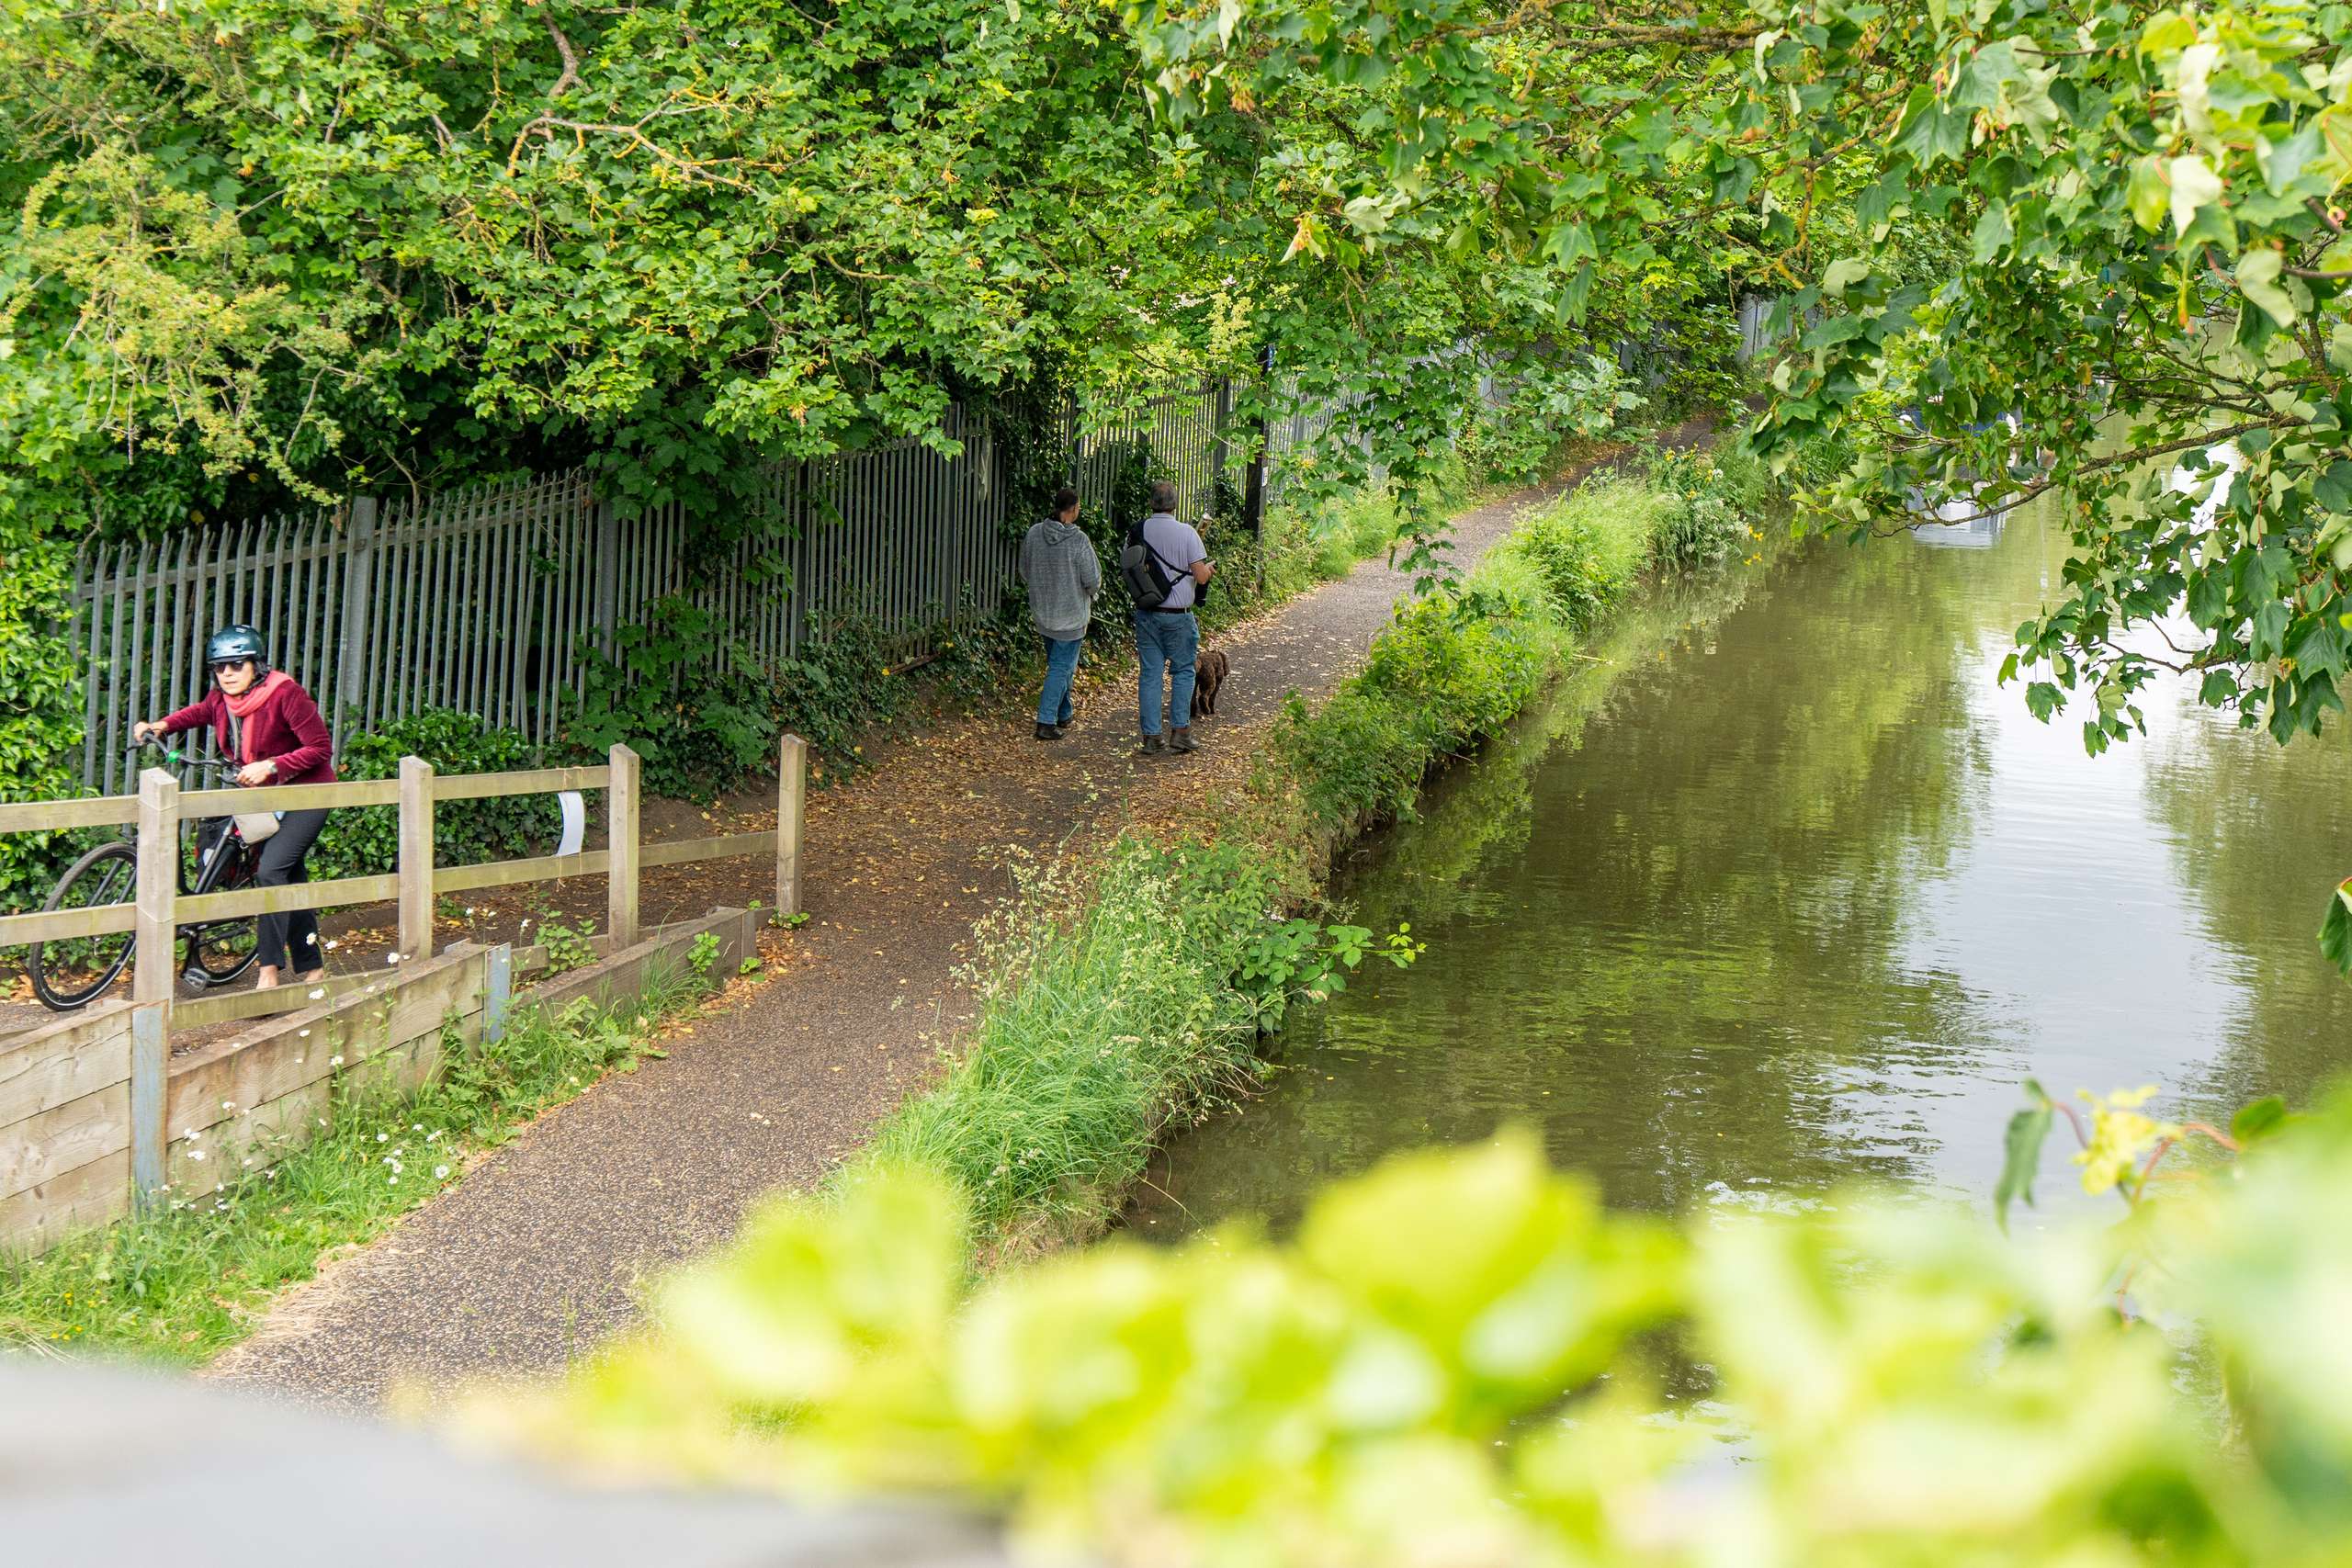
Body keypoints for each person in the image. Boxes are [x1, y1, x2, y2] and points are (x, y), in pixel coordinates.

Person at [132, 625, 335, 991]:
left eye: (236, 665)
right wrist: (161, 725)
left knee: (271, 870)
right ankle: (313, 967)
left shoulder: (285, 694)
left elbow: (320, 748)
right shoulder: (223, 699)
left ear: (255, 665)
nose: (226, 673)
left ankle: (268, 971)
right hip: (264, 797)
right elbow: (199, 713)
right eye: (219, 666)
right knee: (289, 876)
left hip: (307, 793)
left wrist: (272, 765)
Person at [1129, 479, 1212, 755]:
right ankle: (1180, 732)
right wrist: (1207, 571)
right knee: (1183, 672)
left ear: (1151, 503)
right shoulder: (1187, 533)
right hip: (1178, 616)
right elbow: (1200, 577)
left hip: (1146, 613)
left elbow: (1129, 566)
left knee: (1150, 675)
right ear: (1174, 504)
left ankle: (1151, 737)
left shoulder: (1137, 530)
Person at [1017, 486, 1101, 740]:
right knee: (1060, 668)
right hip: (1071, 617)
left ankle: (1064, 712)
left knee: (1060, 665)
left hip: (1043, 614)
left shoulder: (1034, 534)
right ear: (1073, 509)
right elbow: (1093, 579)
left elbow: (1024, 569)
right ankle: (1046, 720)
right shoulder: (1078, 540)